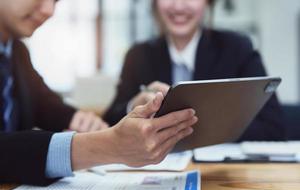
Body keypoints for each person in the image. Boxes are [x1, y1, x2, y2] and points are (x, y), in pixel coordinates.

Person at [0, 0, 198, 185]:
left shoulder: (17, 51)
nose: (49, 10)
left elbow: (45, 105)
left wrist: (81, 120)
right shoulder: (141, 54)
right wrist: (105, 146)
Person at [104, 0, 285, 141]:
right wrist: (133, 106)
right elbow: (108, 123)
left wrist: (203, 127)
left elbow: (274, 127)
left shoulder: (237, 49)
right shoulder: (138, 56)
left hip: (220, 172)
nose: (179, 6)